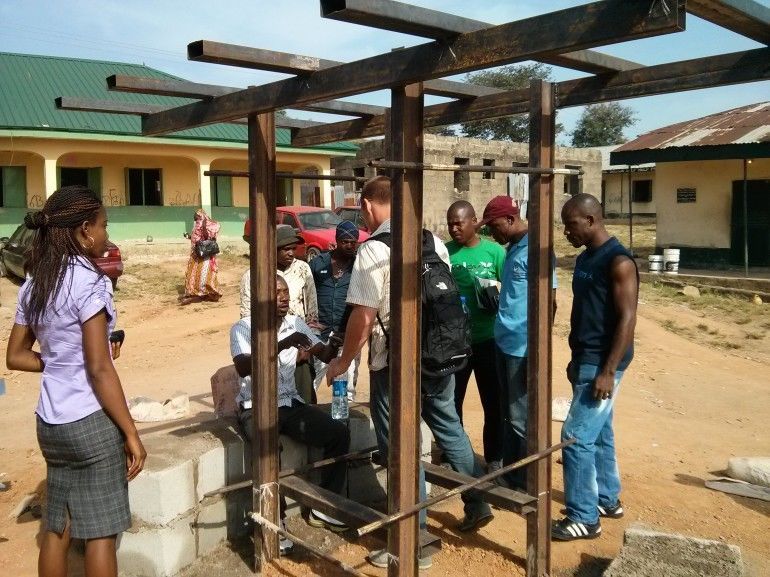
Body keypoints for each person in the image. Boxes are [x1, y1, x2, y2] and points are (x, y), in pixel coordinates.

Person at [326, 175, 492, 570]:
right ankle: (478, 499)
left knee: (399, 447)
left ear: (368, 206)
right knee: (449, 427)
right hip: (438, 357)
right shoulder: (433, 240)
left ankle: (414, 538)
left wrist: (343, 362)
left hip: (395, 364)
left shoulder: (372, 251)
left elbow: (364, 319)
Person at [6, 185, 146, 577]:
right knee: (101, 533)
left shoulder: (35, 282)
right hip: (90, 420)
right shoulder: (90, 282)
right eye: (103, 225)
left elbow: (15, 356)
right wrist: (131, 433)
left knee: (58, 524)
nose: (106, 235)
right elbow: (100, 369)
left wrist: (59, 361)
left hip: (50, 423)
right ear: (85, 230)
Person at [231, 274, 350, 545]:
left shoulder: (295, 323)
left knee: (337, 434)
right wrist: (284, 343)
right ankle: (276, 519)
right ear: (261, 297)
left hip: (289, 403)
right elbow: (243, 366)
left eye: (286, 291)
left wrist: (335, 343)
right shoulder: (242, 328)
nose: (284, 297)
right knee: (269, 448)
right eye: (277, 292)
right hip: (256, 406)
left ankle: (324, 504)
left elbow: (323, 354)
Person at [552, 193, 638, 541]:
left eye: (571, 225)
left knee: (574, 438)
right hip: (586, 357)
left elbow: (627, 318)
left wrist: (607, 370)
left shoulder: (618, 262)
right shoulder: (588, 257)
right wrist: (576, 357)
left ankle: (584, 517)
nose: (567, 233)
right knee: (600, 433)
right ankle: (606, 499)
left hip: (603, 363)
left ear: (590, 220)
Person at [479, 195, 557, 490]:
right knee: (509, 412)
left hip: (523, 348)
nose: (491, 233)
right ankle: (513, 473)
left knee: (522, 415)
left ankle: (527, 479)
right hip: (504, 341)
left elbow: (550, 302)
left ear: (510, 220)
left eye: (494, 226)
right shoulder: (514, 248)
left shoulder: (536, 250)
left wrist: (540, 351)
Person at [445, 200, 506, 473]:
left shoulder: (495, 253)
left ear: (473, 222)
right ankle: (454, 454)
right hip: (455, 342)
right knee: (452, 400)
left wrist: (495, 297)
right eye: (450, 224)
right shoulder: (445, 253)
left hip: (488, 340)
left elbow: (510, 294)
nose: (454, 229)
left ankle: (494, 457)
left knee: (492, 401)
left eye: (459, 223)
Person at [240, 224, 319, 403]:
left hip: (299, 346)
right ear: (272, 250)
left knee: (303, 399)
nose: (291, 253)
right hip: (268, 345)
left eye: (293, 248)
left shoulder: (303, 269)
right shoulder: (253, 275)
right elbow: (246, 317)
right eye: (285, 249)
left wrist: (308, 346)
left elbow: (312, 312)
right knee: (270, 399)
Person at [309, 220, 361, 400]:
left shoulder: (360, 266)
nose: (349, 245)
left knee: (343, 390)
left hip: (347, 336)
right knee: (310, 383)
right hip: (318, 336)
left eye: (353, 242)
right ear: (337, 240)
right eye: (345, 241)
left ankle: (342, 422)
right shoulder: (318, 264)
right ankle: (306, 419)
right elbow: (306, 293)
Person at [181, 209, 222, 305]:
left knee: (193, 274)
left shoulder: (199, 224)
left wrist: (192, 238)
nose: (195, 219)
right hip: (208, 254)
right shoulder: (210, 224)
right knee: (207, 274)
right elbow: (205, 237)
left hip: (199, 254)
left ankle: (192, 293)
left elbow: (197, 239)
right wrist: (190, 237)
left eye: (196, 217)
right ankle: (211, 293)